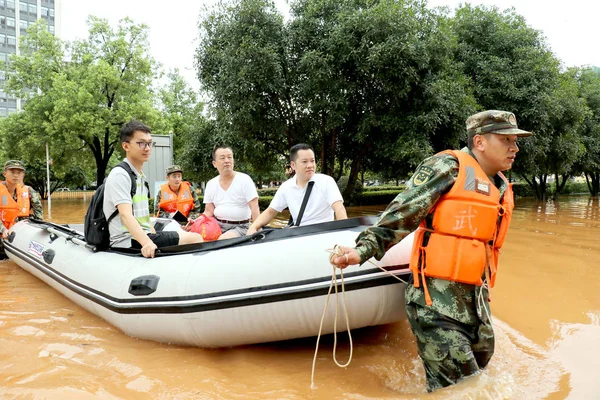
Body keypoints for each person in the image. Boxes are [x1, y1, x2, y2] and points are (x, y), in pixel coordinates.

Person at [330, 110, 532, 392]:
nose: (515, 147)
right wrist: (362, 249)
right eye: (506, 139)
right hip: (436, 301)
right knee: (461, 388)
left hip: (476, 303)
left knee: (478, 374)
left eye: (516, 141)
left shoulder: (498, 184)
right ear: (480, 142)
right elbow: (404, 211)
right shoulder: (447, 166)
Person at [103, 120, 203, 258]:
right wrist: (147, 243)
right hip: (126, 240)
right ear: (126, 146)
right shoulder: (120, 174)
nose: (147, 148)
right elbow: (126, 215)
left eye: (150, 143)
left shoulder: (140, 176)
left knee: (183, 233)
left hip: (144, 233)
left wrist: (154, 234)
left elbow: (142, 216)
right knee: (195, 239)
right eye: (141, 143)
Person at [247, 143, 347, 235]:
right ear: (293, 165)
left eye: (312, 161)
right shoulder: (286, 187)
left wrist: (343, 234)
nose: (310, 165)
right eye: (304, 162)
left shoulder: (326, 181)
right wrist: (254, 227)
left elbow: (339, 208)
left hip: (323, 234)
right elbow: (270, 211)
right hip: (298, 235)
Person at [202, 145, 260, 239]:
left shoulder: (244, 179)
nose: (227, 161)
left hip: (241, 227)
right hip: (217, 225)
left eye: (230, 157)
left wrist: (256, 228)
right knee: (195, 237)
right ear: (214, 163)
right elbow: (208, 211)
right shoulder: (211, 184)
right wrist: (196, 222)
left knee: (223, 239)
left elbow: (255, 208)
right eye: (222, 158)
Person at [0, 160, 44, 239]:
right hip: (3, 233)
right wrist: (2, 230)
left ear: (23, 175)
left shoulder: (29, 191)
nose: (16, 175)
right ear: (5, 174)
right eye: (12, 172)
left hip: (21, 233)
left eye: (19, 173)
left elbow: (39, 214)